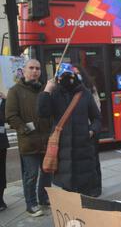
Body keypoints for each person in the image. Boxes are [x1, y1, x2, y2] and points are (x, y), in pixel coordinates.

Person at [38, 63, 101, 196]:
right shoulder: (54, 94)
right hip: (63, 153)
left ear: (75, 77)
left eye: (70, 76)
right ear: (58, 79)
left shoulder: (85, 94)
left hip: (83, 151)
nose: (67, 80)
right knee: (69, 195)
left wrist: (92, 131)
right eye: (63, 77)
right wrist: (46, 91)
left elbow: (96, 118)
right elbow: (42, 113)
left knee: (85, 194)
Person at [5, 59, 52, 217]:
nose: (35, 71)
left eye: (37, 68)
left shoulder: (45, 89)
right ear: (24, 70)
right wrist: (25, 129)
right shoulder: (15, 91)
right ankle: (30, 204)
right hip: (29, 141)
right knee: (31, 175)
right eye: (31, 68)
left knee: (47, 172)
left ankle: (43, 198)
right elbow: (11, 115)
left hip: (45, 140)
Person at [74, 65, 102, 197]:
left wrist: (91, 130)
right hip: (77, 131)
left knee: (94, 160)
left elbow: (97, 109)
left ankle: (96, 188)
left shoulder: (90, 89)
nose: (76, 76)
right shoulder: (69, 90)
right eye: (73, 73)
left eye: (78, 73)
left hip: (90, 130)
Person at [0, 92, 10, 212]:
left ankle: (1, 199)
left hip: (1, 142)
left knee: (1, 172)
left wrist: (6, 101)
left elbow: (6, 117)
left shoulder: (3, 102)